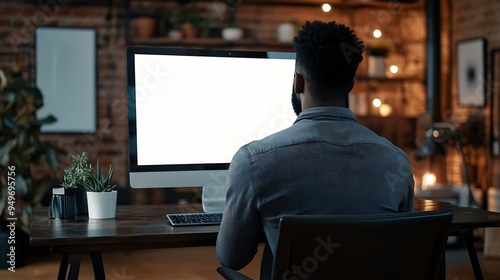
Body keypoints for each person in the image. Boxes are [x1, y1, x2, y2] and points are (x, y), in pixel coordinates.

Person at [216, 20, 414, 278]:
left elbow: (232, 257)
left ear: (298, 82)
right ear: (351, 84)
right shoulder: (396, 161)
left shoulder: (253, 161)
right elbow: (400, 245)